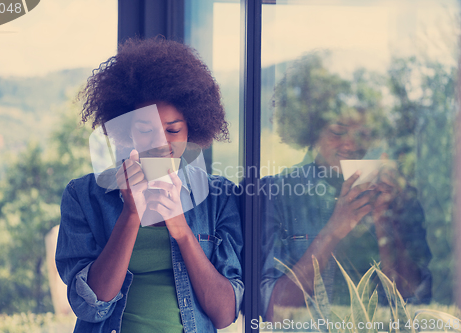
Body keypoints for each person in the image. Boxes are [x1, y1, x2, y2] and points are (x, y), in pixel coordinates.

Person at [55, 38, 243, 333]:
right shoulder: (83, 196)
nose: (160, 143)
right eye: (146, 129)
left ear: (191, 128)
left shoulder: (219, 198)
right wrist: (131, 215)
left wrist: (181, 230)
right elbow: (92, 305)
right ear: (126, 130)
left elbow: (224, 315)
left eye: (173, 130)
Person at [261, 53, 431, 320]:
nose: (351, 145)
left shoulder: (396, 194)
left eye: (363, 134)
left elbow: (412, 299)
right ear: (310, 129)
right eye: (338, 131)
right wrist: (334, 229)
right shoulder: (276, 195)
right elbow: (272, 310)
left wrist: (387, 222)